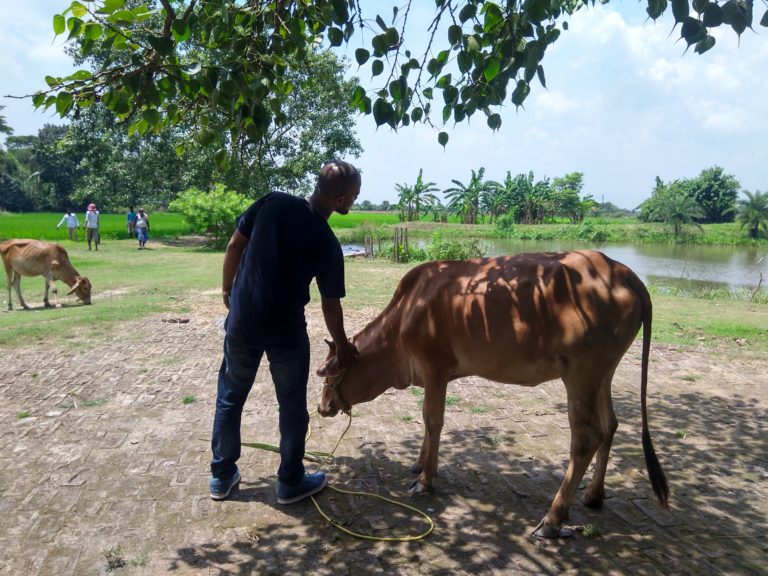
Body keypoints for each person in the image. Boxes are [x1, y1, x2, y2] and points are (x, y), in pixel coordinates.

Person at [209, 160, 361, 504]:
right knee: (291, 404)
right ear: (341, 200)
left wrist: (226, 288)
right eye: (354, 196)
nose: (353, 201)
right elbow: (330, 304)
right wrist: (342, 346)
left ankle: (221, 476)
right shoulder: (326, 242)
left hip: (242, 322)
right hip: (286, 331)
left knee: (231, 396)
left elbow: (235, 246)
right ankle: (290, 481)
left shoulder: (271, 203)